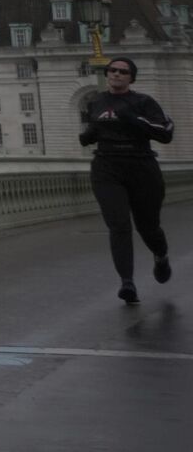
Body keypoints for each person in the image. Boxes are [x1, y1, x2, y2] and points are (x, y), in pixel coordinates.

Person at [78, 57, 174, 304]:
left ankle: (161, 256)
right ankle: (127, 283)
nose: (116, 74)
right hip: (107, 167)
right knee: (119, 225)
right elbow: (93, 131)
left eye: (123, 71)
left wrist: (133, 118)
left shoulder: (143, 102)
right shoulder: (97, 102)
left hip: (141, 166)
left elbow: (165, 134)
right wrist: (88, 136)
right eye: (112, 70)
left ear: (131, 78)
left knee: (148, 227)